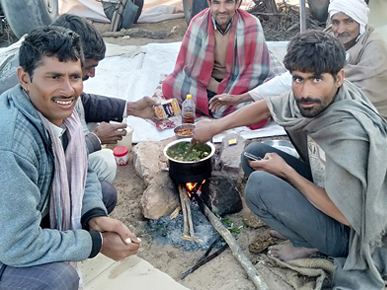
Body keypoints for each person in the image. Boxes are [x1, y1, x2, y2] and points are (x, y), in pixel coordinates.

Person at [192, 30, 387, 289]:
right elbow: (269, 105)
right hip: (328, 186)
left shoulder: (349, 134)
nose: (305, 91)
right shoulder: (317, 98)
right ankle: (304, 227)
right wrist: (216, 126)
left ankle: (307, 244)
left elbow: (347, 216)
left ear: (339, 77)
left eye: (316, 79)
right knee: (254, 154)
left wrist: (289, 174)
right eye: (298, 79)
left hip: (349, 231)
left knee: (260, 185)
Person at [0, 26, 140, 290]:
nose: (68, 90)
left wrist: (94, 216)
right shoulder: (12, 142)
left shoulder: (61, 110)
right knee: (59, 279)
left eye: (74, 77)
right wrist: (95, 243)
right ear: (25, 78)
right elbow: (16, 244)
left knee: (103, 195)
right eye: (53, 77)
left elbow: (80, 166)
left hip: (18, 219)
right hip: (6, 244)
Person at [0, 13, 162, 213]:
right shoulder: (19, 124)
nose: (92, 74)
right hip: (24, 188)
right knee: (104, 184)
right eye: (89, 67)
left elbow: (81, 101)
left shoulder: (36, 60)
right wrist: (94, 139)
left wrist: (132, 108)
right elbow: (50, 157)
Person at [210, 0, 387, 120]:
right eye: (335, 22)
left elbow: (360, 99)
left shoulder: (374, 48)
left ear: (361, 22)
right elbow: (292, 77)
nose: (340, 30)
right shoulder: (329, 37)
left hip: (367, 121)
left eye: (348, 22)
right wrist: (239, 98)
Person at [162, 0, 281, 122]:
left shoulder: (251, 24)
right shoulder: (198, 22)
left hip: (239, 85)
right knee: (169, 86)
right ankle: (225, 109)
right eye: (216, 3)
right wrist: (217, 88)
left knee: (268, 98)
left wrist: (231, 95)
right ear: (209, 4)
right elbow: (191, 69)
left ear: (237, 4)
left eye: (228, 2)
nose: (222, 9)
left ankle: (212, 107)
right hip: (208, 84)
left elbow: (256, 73)